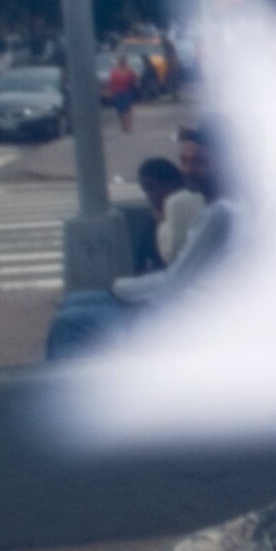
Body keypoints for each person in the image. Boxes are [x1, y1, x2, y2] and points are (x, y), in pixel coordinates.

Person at [45, 123, 235, 358]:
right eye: (184, 161)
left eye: (198, 163)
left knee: (69, 323)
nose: (187, 170)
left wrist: (117, 288)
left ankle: (63, 391)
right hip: (179, 305)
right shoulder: (221, 210)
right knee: (74, 301)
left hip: (180, 316)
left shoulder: (220, 215)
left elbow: (174, 281)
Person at [138, 155, 205, 266]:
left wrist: (162, 225)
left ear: (172, 185)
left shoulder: (193, 212)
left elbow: (174, 256)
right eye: (146, 190)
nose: (150, 196)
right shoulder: (151, 221)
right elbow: (141, 262)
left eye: (153, 188)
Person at [104, 54, 138, 133]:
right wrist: (109, 92)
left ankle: (129, 126)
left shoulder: (129, 71)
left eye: (123, 62)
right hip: (117, 93)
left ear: (125, 62)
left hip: (127, 92)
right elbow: (111, 83)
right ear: (118, 62)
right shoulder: (114, 72)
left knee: (128, 109)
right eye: (120, 62)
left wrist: (135, 83)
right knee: (119, 111)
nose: (122, 63)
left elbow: (135, 80)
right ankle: (123, 123)